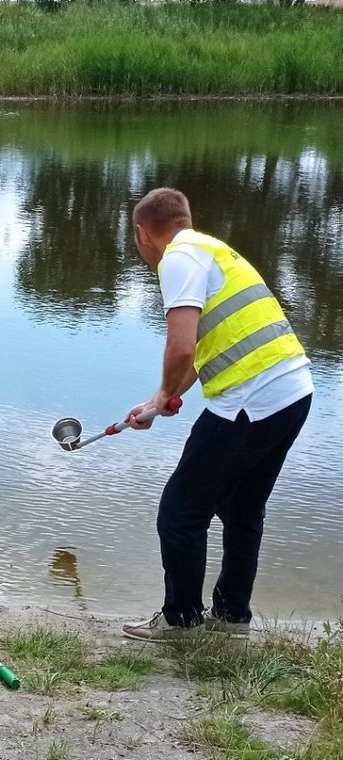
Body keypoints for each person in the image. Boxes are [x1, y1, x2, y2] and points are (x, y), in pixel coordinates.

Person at [122, 187, 313, 642]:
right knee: (241, 508)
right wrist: (156, 402)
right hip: (294, 391)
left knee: (180, 512)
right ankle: (231, 620)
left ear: (142, 233)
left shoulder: (178, 260)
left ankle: (182, 621)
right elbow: (209, 348)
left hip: (253, 398)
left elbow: (182, 345)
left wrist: (167, 391)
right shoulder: (210, 248)